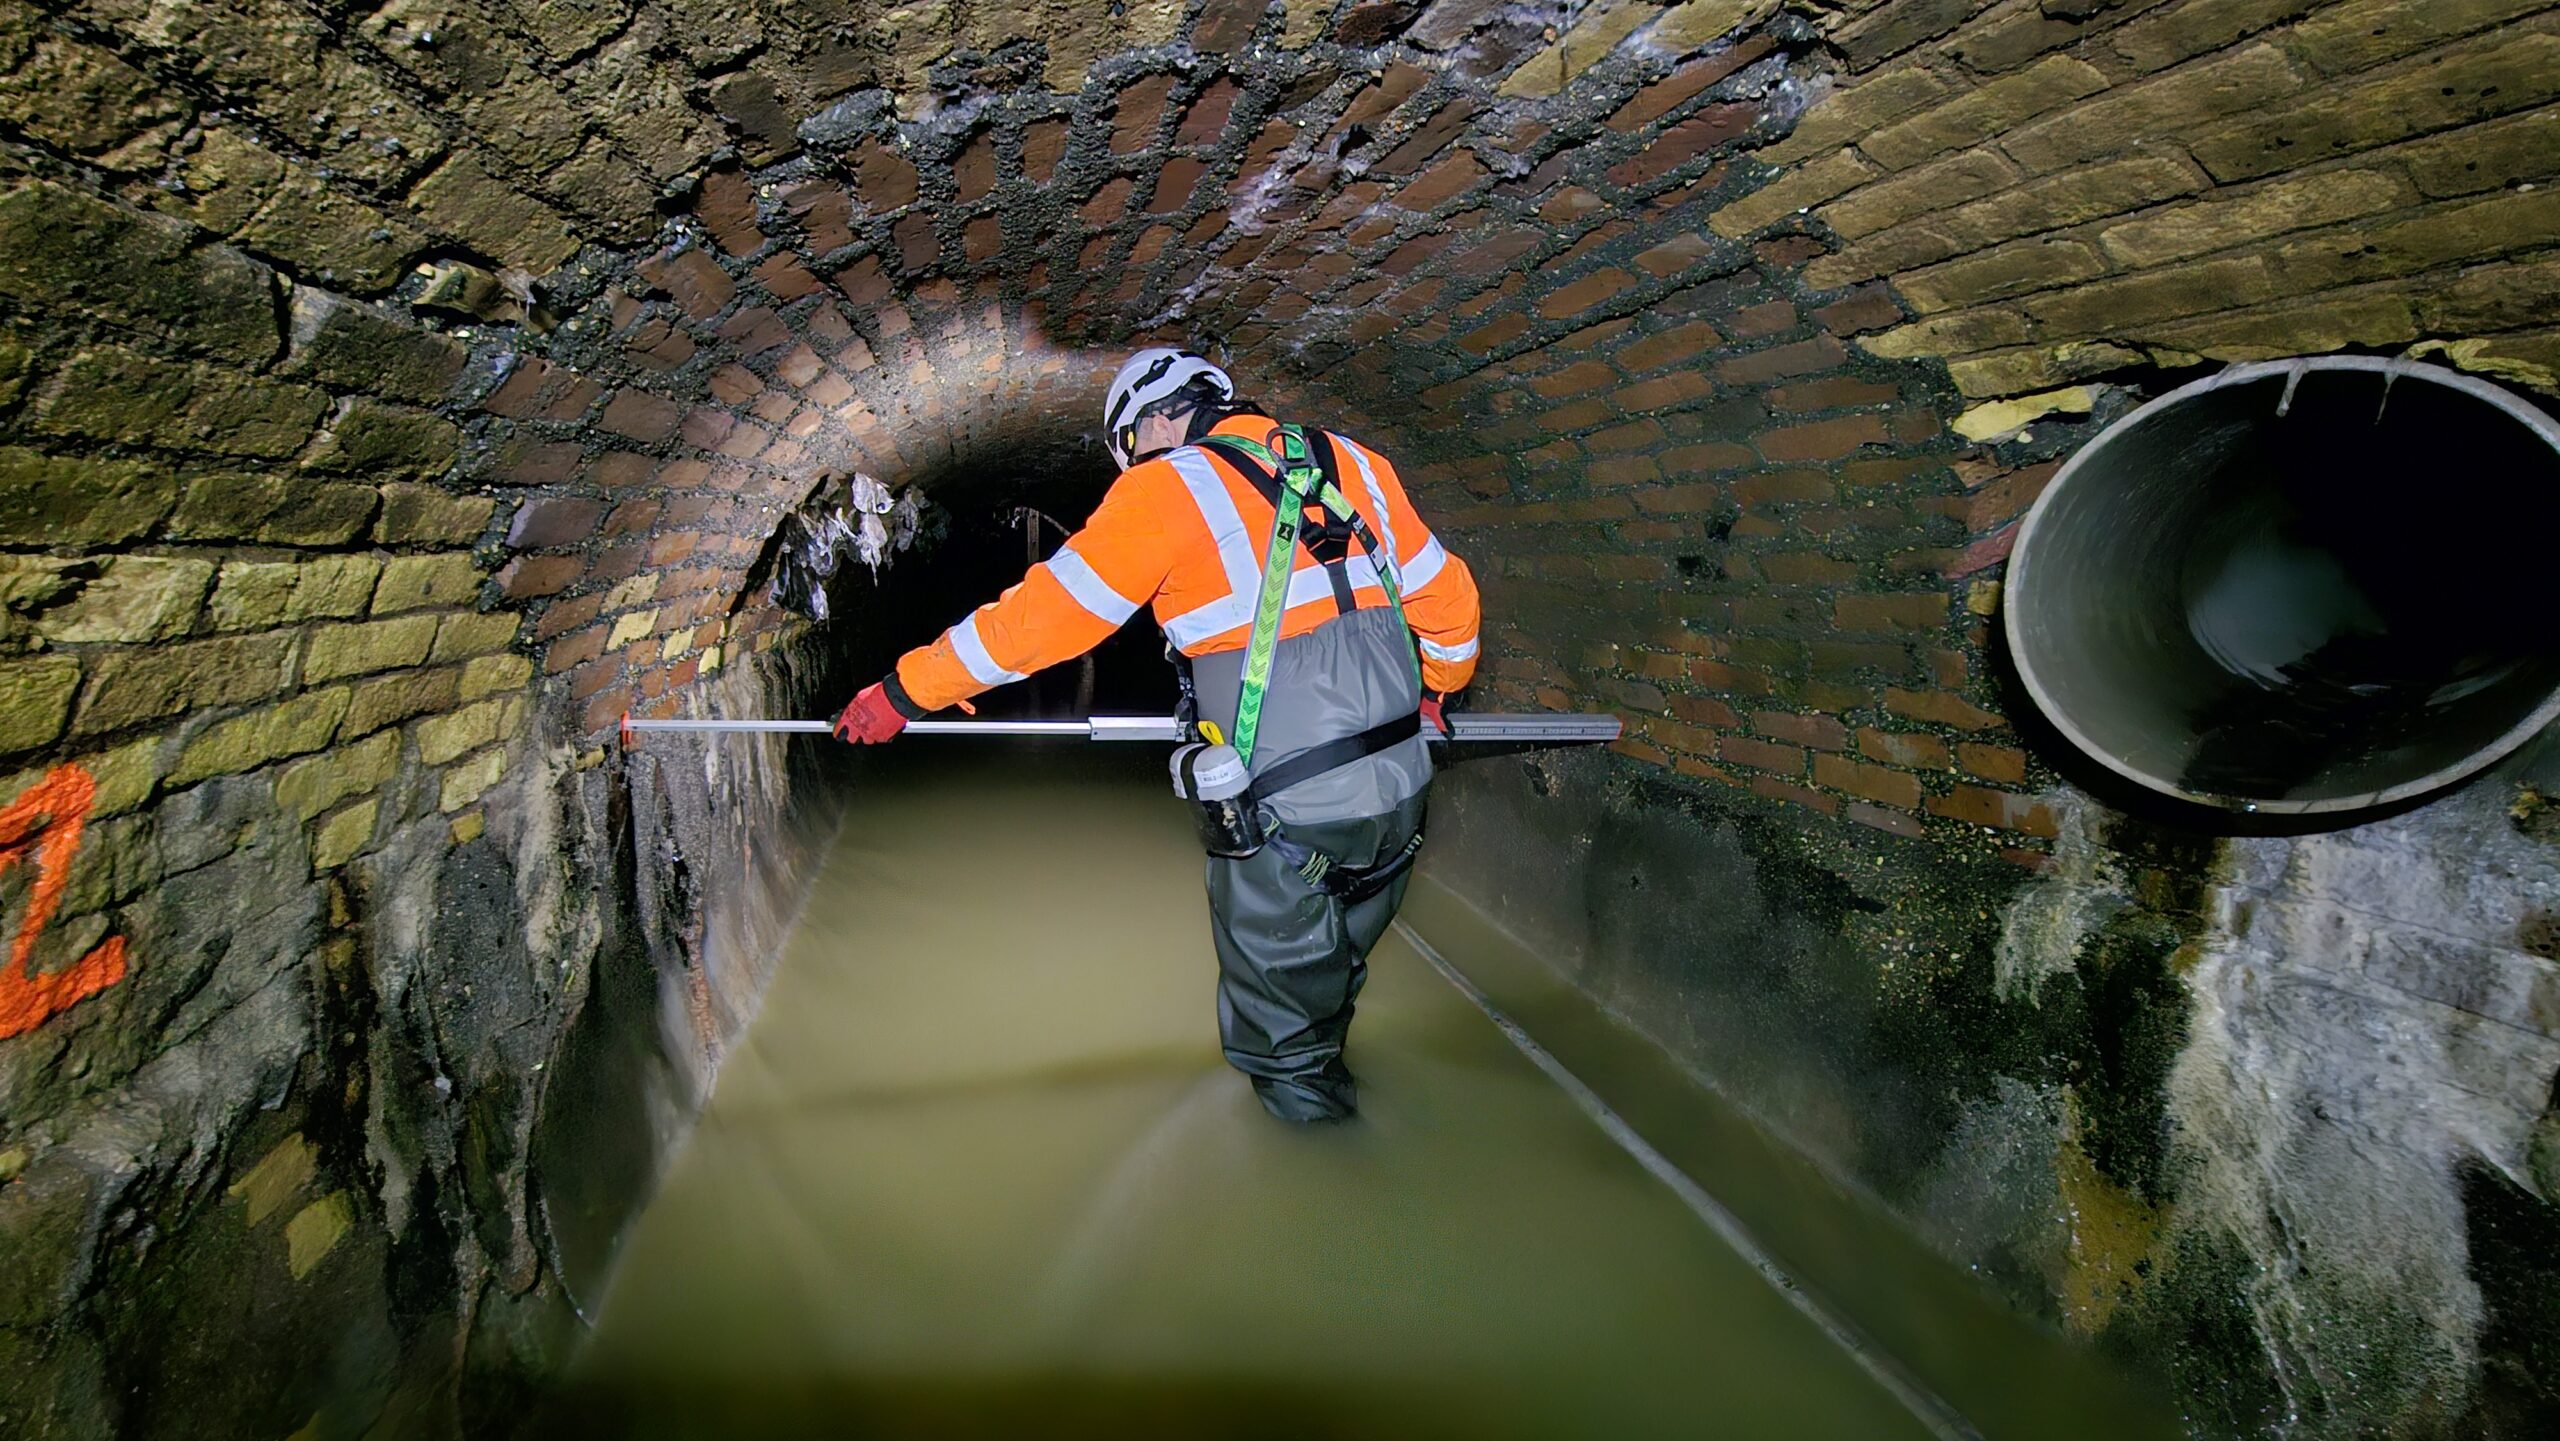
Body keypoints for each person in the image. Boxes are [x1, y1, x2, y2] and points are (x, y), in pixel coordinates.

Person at [832, 348, 1482, 1122]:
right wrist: (1440, 690)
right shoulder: (1353, 462)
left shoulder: (1168, 486)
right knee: (1334, 965)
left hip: (1290, 810)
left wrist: (906, 690)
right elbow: (1451, 598)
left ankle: (1334, 1173)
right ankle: (1338, 1084)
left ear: (1159, 417)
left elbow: (1038, 624)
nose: (1129, 468)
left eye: (1130, 448)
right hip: (1404, 791)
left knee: (1285, 1039)